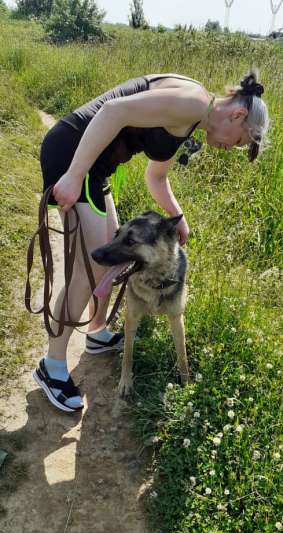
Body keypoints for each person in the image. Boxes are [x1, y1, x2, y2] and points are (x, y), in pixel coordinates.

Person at [33, 70, 269, 413]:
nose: (229, 148)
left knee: (111, 260)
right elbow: (112, 112)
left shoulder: (193, 119)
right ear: (238, 115)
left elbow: (155, 177)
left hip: (95, 166)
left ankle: (96, 332)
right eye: (238, 142)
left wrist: (179, 215)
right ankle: (52, 367)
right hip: (73, 155)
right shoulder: (192, 103)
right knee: (96, 263)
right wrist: (73, 175)